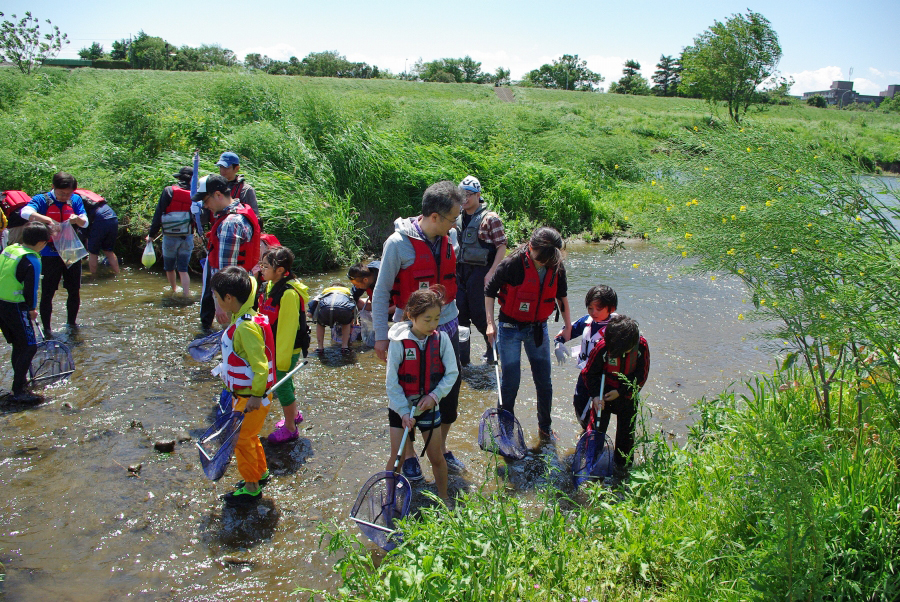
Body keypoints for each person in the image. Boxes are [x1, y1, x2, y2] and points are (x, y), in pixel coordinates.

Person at [371, 180, 466, 479]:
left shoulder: (451, 236)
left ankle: (441, 445)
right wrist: (380, 338)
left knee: (449, 390)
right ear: (435, 216)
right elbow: (381, 292)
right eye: (453, 217)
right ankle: (409, 453)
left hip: (448, 322)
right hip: (407, 328)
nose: (456, 223)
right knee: (409, 389)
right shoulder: (397, 244)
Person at [485, 226, 572, 440]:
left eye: (549, 259)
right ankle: (505, 429)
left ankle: (545, 427)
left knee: (544, 382)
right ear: (530, 247)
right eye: (540, 259)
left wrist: (568, 326)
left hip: (538, 328)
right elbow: (489, 291)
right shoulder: (512, 264)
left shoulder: (556, 264)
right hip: (510, 328)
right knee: (510, 381)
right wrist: (489, 323)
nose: (544, 263)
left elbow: (561, 298)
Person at [209, 266, 276, 506]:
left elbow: (260, 366)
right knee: (250, 435)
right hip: (247, 394)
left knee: (241, 440)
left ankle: (251, 487)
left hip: (251, 396)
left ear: (229, 298)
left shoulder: (246, 327)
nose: (215, 300)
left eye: (217, 297)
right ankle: (260, 472)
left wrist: (256, 396)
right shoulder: (244, 315)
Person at [385, 286, 457, 500]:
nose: (433, 325)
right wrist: (403, 412)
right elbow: (391, 383)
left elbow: (451, 373)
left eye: (436, 319)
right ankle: (389, 500)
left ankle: (443, 499)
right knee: (396, 459)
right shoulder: (398, 343)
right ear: (411, 315)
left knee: (437, 458)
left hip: (428, 407)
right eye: (427, 319)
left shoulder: (442, 340)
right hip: (401, 409)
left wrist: (434, 396)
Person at [20, 172, 88, 336]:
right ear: (53, 187)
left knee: (74, 290)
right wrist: (47, 220)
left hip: (71, 251)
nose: (65, 196)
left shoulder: (76, 200)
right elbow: (25, 212)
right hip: (50, 253)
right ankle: (48, 329)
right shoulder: (42, 200)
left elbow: (85, 222)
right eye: (61, 193)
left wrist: (76, 219)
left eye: (68, 193)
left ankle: (72, 325)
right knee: (48, 292)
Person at [580, 314, 650, 472]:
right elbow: (589, 373)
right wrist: (596, 396)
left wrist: (620, 391)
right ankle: (591, 464)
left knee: (626, 439)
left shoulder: (641, 347)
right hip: (603, 396)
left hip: (626, 396)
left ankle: (622, 471)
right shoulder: (603, 346)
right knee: (595, 433)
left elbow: (641, 376)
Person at [257, 246, 311, 444]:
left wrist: (280, 361)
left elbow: (287, 331)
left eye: (266, 266)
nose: (262, 269)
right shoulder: (272, 285)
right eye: (261, 265)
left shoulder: (288, 294)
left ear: (280, 270)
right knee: (285, 382)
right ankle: (294, 414)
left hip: (285, 349)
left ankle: (290, 427)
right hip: (275, 347)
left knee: (282, 384)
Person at [194, 175, 261, 331]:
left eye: (205, 201)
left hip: (233, 296)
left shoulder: (230, 223)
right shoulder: (240, 211)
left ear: (218, 195)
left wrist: (220, 305)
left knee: (232, 336)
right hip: (245, 289)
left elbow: (226, 271)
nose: (205, 206)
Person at [455, 176, 507, 365]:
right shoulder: (457, 216)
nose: (465, 199)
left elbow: (502, 246)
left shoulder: (490, 218)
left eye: (468, 195)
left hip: (481, 272)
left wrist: (492, 271)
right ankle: (463, 360)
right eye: (461, 195)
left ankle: (494, 353)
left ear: (478, 195)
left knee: (480, 315)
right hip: (460, 273)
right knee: (459, 315)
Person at [0, 223, 51, 403]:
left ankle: (20, 382)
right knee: (29, 346)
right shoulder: (32, 260)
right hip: (16, 306)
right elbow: (31, 288)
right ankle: (19, 391)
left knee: (18, 344)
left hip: (1, 304)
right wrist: (32, 309)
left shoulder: (11, 249)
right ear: (41, 243)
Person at [147, 167, 195, 297]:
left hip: (169, 236)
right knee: (183, 269)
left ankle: (174, 289)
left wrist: (151, 235)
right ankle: (186, 293)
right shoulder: (195, 194)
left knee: (169, 267)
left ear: (179, 178)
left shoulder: (169, 191)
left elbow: (158, 214)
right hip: (187, 236)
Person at [554, 285, 618, 367]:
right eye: (590, 308)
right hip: (585, 370)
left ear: (612, 309)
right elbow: (565, 333)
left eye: (598, 309)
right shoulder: (586, 321)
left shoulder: (618, 327)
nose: (593, 312)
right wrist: (558, 344)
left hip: (605, 374)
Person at [77, 189, 120, 277]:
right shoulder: (83, 193)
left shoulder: (73, 198)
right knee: (108, 250)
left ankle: (93, 276)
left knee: (92, 251)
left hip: (99, 218)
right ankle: (118, 274)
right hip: (112, 215)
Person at [307, 283, 357, 354]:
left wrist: (310, 313)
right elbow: (353, 306)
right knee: (346, 323)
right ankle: (344, 347)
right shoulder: (347, 292)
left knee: (320, 324)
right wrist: (353, 320)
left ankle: (320, 348)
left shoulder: (326, 291)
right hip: (343, 308)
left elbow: (313, 302)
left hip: (326, 308)